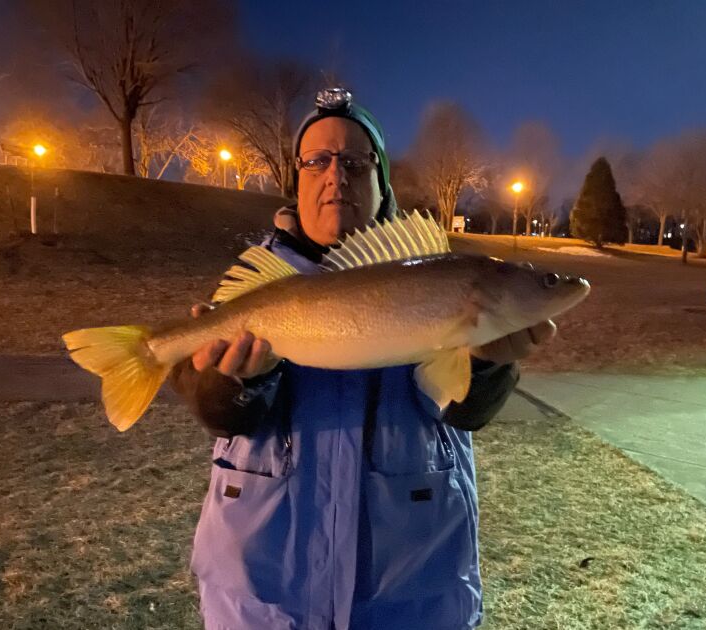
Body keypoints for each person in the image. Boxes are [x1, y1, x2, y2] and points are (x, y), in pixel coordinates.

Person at [171, 88, 557, 629]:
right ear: (298, 179)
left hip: (411, 594)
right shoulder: (257, 282)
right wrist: (232, 384)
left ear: (382, 182)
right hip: (263, 599)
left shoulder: (442, 277)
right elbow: (220, 417)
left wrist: (490, 366)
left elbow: (464, 410)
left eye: (357, 161)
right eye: (318, 161)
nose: (337, 175)